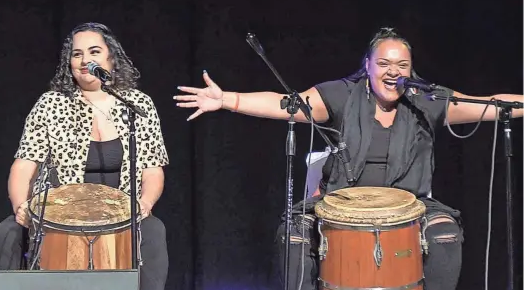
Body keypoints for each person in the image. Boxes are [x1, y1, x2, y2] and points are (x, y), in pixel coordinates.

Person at [173, 27, 523, 290]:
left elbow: (490, 103)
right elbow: (286, 103)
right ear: (367, 66)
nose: (393, 71)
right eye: (383, 63)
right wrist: (227, 99)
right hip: (338, 204)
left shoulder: (425, 101)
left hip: (412, 206)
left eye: (402, 64)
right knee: (292, 236)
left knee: (446, 237)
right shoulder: (342, 95)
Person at [0, 22, 170, 290]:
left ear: (111, 57)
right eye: (77, 54)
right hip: (60, 215)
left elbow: (153, 169)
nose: (85, 60)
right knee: (7, 230)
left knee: (154, 231)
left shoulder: (138, 104)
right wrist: (21, 207)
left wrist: (144, 204)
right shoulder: (50, 104)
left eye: (94, 52)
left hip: (120, 214)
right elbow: (24, 164)